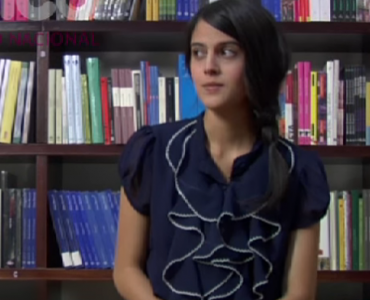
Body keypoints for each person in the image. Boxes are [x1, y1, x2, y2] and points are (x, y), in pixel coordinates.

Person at [113, 0, 331, 299]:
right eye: (198, 52)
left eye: (227, 52)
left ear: (259, 62)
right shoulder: (153, 150)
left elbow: (300, 294)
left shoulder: (299, 169)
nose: (209, 67)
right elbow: (126, 269)